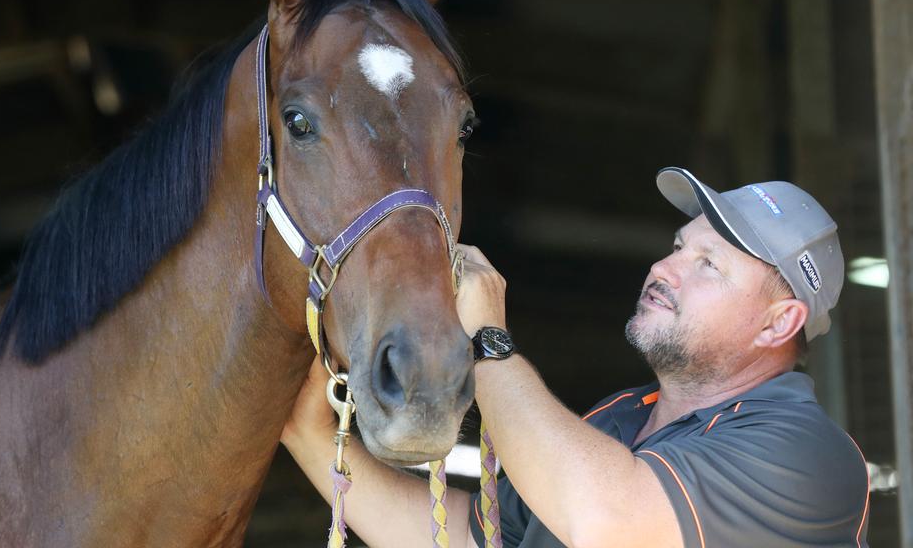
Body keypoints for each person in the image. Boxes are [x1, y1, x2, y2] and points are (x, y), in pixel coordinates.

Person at [281, 167, 870, 548]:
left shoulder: (808, 455)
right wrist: (309, 434)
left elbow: (608, 522)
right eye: (677, 248)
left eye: (708, 266)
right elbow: (459, 536)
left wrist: (487, 338)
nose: (663, 269)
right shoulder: (618, 421)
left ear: (779, 323)